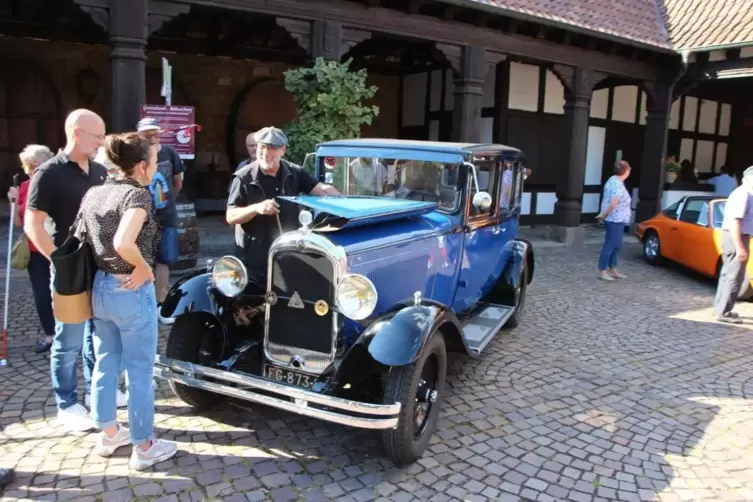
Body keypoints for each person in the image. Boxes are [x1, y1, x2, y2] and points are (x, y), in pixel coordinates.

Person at [80, 132, 177, 470]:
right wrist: (144, 269)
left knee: (105, 364)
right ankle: (145, 445)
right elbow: (124, 241)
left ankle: (108, 433)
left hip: (101, 288)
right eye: (152, 160)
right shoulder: (137, 195)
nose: (155, 166)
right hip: (130, 289)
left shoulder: (94, 192)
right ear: (140, 165)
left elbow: (81, 239)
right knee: (139, 371)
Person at [24, 109, 126, 432]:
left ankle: (97, 395)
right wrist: (57, 259)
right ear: (77, 133)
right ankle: (66, 404)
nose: (101, 143)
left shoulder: (98, 171)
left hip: (99, 266)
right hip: (69, 267)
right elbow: (32, 224)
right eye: (98, 137)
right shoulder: (48, 172)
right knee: (68, 340)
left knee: (99, 334)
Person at [226, 126, 339, 290]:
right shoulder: (243, 177)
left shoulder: (294, 172)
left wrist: (340, 198)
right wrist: (256, 208)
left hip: (287, 255)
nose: (265, 153)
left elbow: (320, 189)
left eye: (272, 148)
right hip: (253, 261)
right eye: (262, 147)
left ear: (283, 150)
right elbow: (231, 216)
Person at [7, 145, 56, 353]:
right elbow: (19, 223)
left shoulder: (57, 184)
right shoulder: (25, 187)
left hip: (58, 247)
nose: (29, 170)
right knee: (41, 293)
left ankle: (72, 334)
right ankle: (50, 334)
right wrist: (14, 202)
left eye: (34, 166)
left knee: (64, 292)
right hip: (35, 250)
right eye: (26, 166)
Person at [136, 118, 185, 324]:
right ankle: (140, 303)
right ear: (139, 135)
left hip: (166, 216)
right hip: (139, 217)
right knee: (140, 258)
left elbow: (178, 182)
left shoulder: (170, 153)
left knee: (164, 260)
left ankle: (161, 304)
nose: (153, 137)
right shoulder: (135, 155)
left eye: (155, 132)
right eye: (148, 133)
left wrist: (165, 200)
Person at [713, 166, 753, 324]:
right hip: (736, 237)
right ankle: (724, 312)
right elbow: (735, 222)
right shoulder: (744, 194)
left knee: (727, 275)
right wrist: (740, 247)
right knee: (734, 276)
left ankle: (720, 308)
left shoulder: (745, 193)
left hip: (737, 236)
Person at [596, 160, 632, 281]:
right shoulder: (616, 184)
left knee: (617, 245)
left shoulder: (614, 181)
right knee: (611, 245)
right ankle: (603, 270)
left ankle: (613, 268)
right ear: (625, 170)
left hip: (618, 219)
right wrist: (603, 215)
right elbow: (613, 203)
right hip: (614, 219)